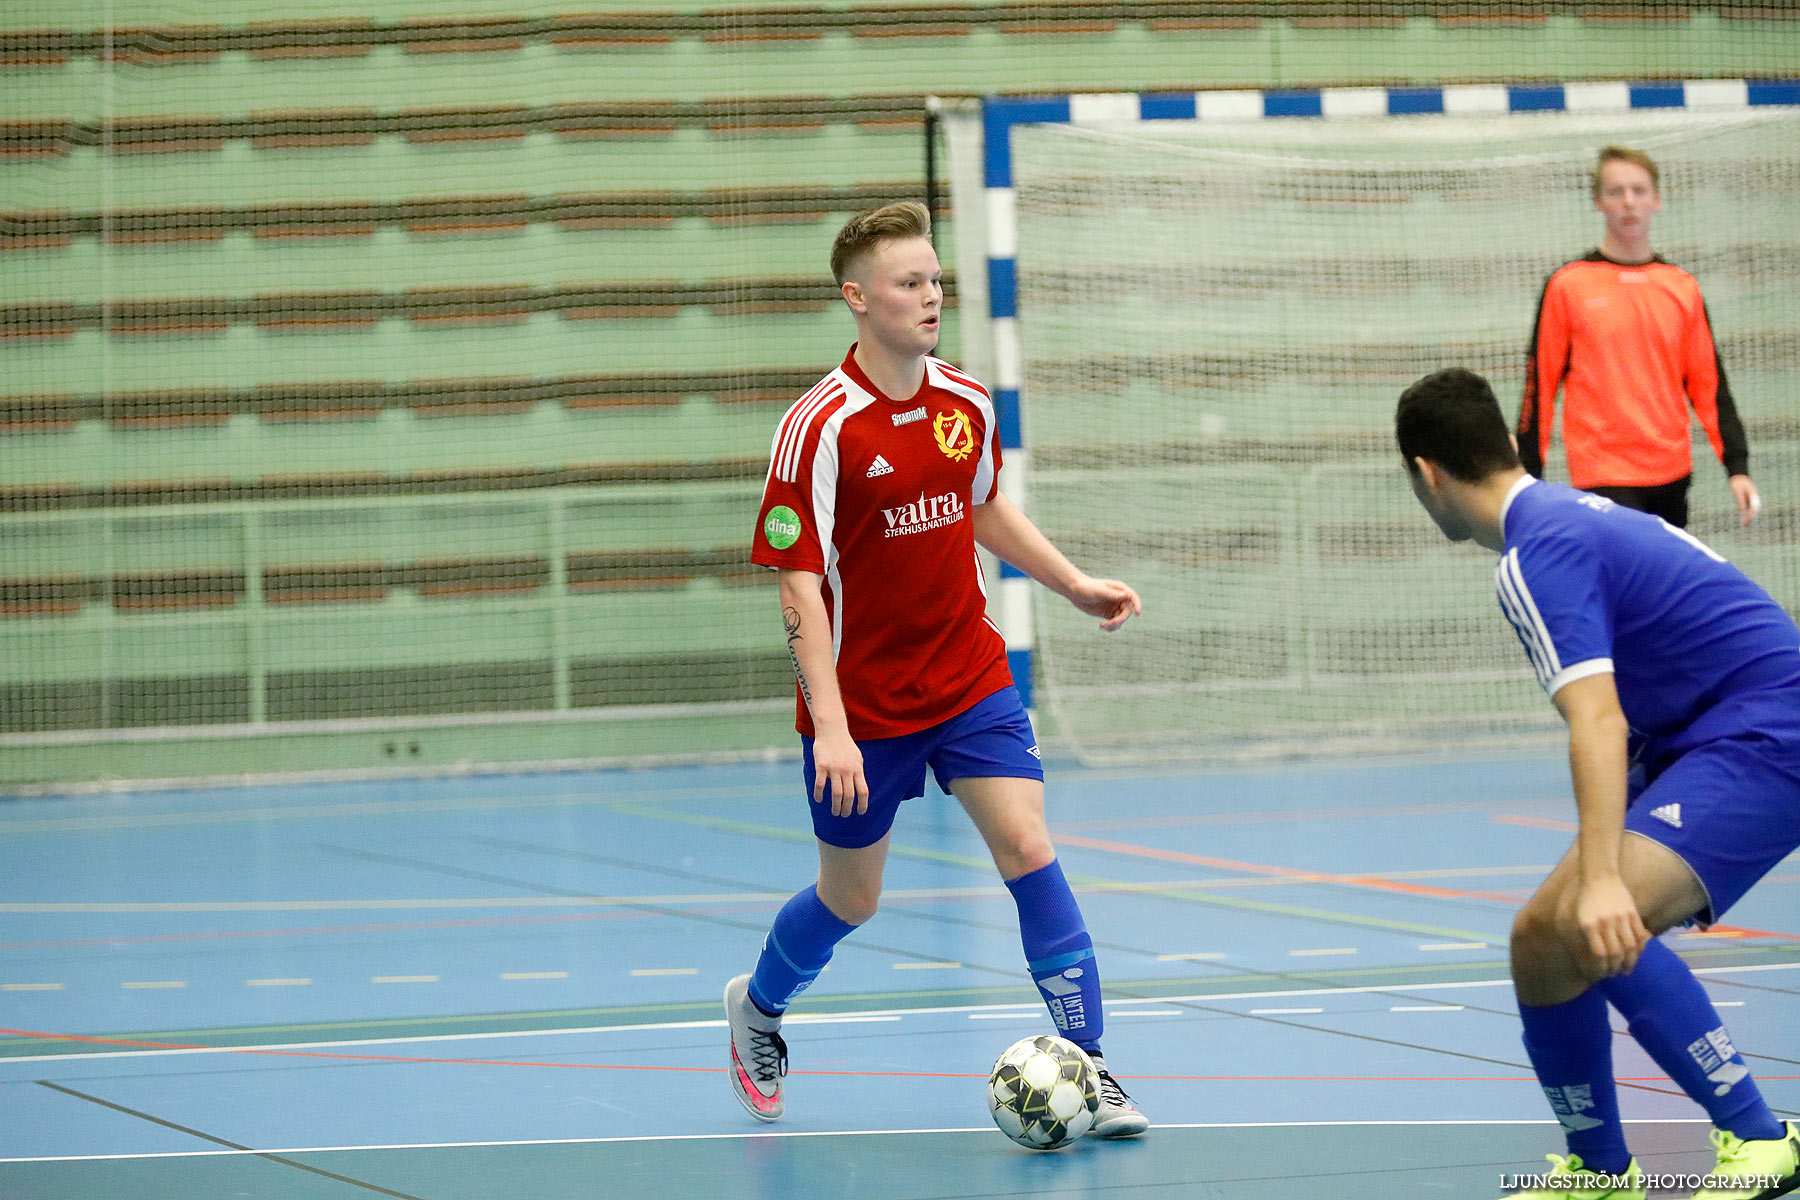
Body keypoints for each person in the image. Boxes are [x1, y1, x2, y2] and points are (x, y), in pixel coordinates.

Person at [725, 200, 1149, 1137]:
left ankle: (1095, 1068)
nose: (931, 295)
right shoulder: (820, 428)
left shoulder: (964, 402)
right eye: (910, 282)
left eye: (936, 279)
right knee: (853, 898)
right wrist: (831, 726)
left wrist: (1072, 584)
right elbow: (798, 586)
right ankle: (757, 1009)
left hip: (966, 676)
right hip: (864, 705)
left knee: (1029, 848)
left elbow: (985, 510)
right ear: (857, 298)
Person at [1397, 366, 1800, 1200]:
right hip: (1712, 737)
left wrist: (1607, 877)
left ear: (1426, 473)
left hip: (1766, 733)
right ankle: (1600, 1172)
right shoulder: (1561, 519)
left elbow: (1598, 719)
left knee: (1597, 923)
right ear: (1510, 442)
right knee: (1539, 941)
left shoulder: (1537, 551)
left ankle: (1763, 1139)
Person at [1516, 145, 1759, 530]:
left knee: (1663, 589)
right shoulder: (1567, 286)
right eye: (1616, 191)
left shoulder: (1681, 287)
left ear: (1657, 199)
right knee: (1625, 585)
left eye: (1639, 190)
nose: (1629, 202)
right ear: (1598, 201)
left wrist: (1737, 467)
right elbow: (1539, 388)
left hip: (1671, 472)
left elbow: (1709, 385)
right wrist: (1528, 478)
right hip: (1603, 473)